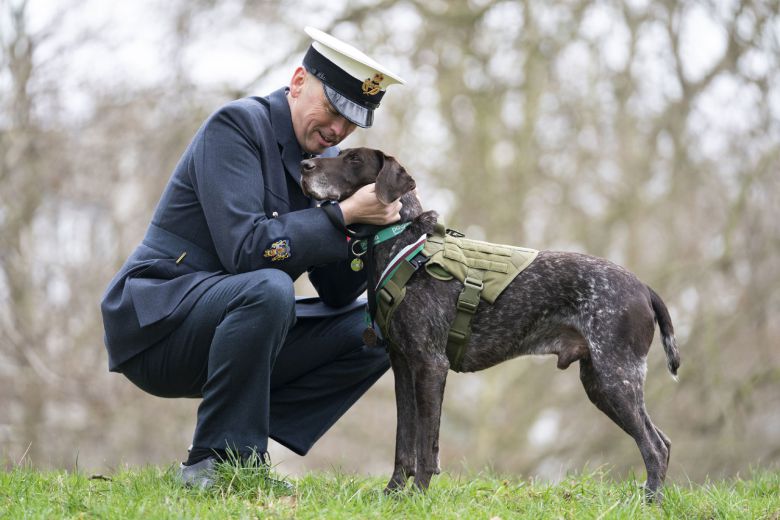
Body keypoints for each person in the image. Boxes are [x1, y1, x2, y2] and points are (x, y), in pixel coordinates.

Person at [100, 26, 405, 489]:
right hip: (157, 324)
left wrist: (370, 226)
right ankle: (212, 459)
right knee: (268, 287)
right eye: (333, 110)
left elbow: (340, 291)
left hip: (246, 330)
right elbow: (248, 252)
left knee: (383, 326)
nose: (338, 130)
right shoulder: (237, 126)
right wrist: (342, 216)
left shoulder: (331, 162)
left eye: (352, 122)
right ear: (299, 81)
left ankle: (242, 451)